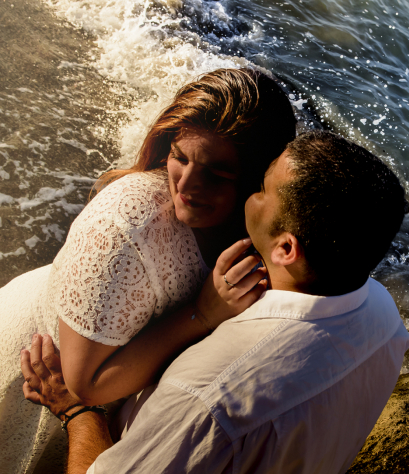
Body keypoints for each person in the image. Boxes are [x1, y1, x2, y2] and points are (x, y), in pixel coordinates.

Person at [22, 130, 409, 474]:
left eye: (261, 187)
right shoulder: (385, 317)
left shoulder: (207, 399)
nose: (251, 195)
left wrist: (77, 411)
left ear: (287, 248)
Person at [0, 68, 297, 474]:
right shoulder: (125, 231)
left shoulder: (261, 227)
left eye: (216, 173)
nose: (188, 184)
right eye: (180, 157)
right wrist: (201, 314)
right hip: (37, 380)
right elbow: (84, 385)